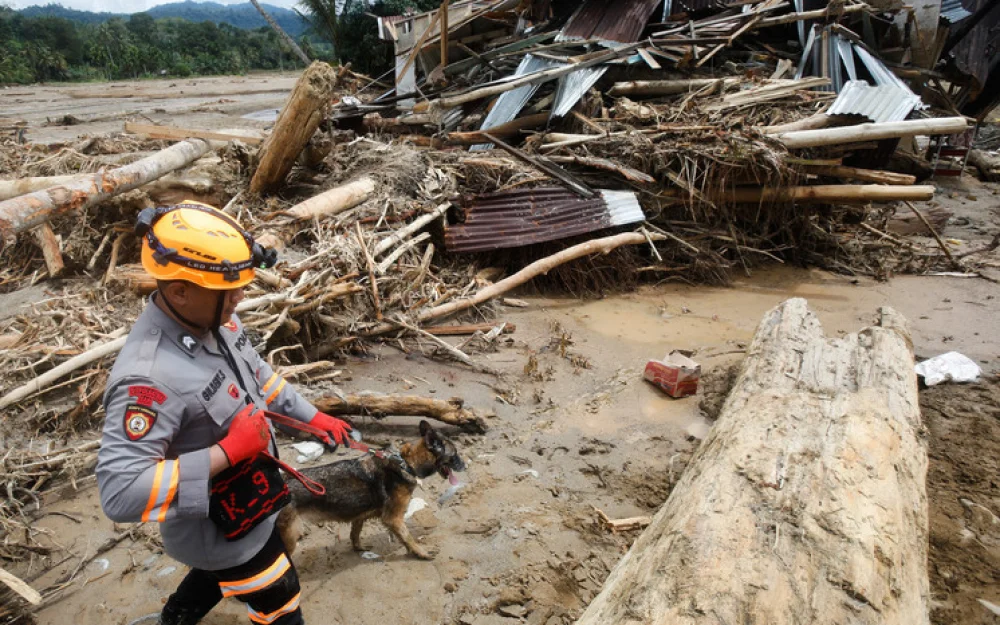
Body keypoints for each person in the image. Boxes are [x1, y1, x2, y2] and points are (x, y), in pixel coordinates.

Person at [96, 201, 354, 625]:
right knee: (281, 606)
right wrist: (228, 452)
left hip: (254, 499)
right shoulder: (150, 377)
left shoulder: (214, 319)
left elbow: (258, 377)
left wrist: (312, 417)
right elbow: (120, 491)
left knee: (214, 576)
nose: (240, 297)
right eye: (228, 290)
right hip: (222, 529)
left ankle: (174, 618)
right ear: (179, 290)